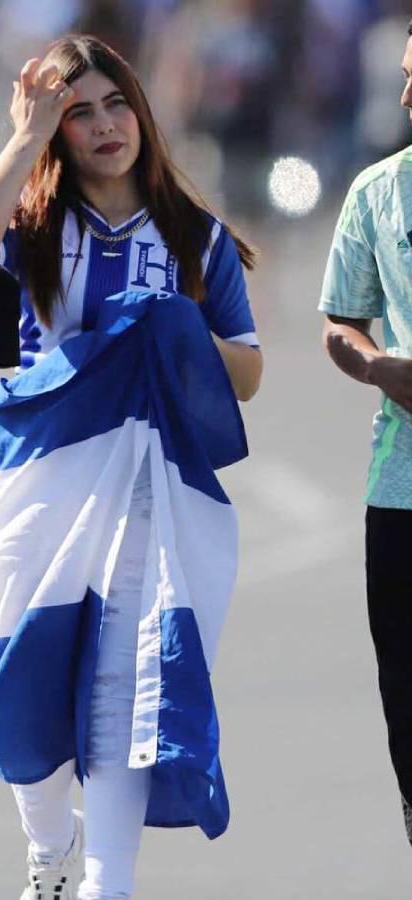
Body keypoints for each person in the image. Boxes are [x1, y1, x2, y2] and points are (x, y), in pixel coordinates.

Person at [0, 35, 262, 900]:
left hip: (152, 490)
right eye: (77, 114)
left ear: (142, 112)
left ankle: (106, 885)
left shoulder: (194, 236)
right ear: (55, 132)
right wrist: (21, 139)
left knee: (128, 687)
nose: (105, 126)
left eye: (115, 104)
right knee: (22, 687)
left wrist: (176, 330)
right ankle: (49, 844)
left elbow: (248, 371)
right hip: (37, 483)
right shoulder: (31, 227)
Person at [318, 17, 412, 849]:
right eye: (407, 75)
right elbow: (340, 324)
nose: (407, 95)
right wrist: (383, 368)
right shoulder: (379, 190)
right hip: (402, 493)